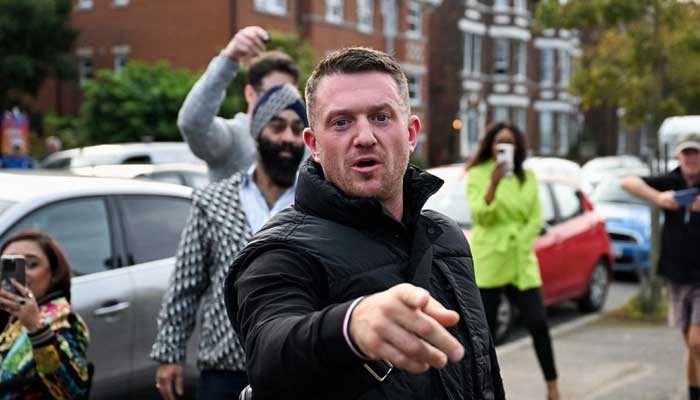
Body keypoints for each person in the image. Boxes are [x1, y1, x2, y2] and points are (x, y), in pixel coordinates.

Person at [224, 47, 505, 400]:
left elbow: (482, 371)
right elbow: (270, 353)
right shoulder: (280, 251)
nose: (365, 137)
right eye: (341, 122)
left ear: (411, 132)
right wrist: (350, 326)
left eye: (381, 117)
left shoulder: (445, 236)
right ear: (313, 144)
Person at [150, 83, 308, 400]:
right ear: (257, 131)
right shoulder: (214, 201)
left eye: (296, 129)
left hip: (294, 368)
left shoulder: (312, 204)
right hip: (224, 370)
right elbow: (185, 284)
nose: (288, 138)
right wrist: (169, 353)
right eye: (277, 127)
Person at [465, 121, 560, 400]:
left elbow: (535, 218)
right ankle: (483, 391)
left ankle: (553, 386)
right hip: (491, 258)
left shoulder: (526, 177)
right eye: (498, 142)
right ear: (490, 146)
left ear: (517, 148)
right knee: (487, 335)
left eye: (509, 143)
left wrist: (523, 240)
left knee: (539, 323)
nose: (503, 147)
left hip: (520, 258)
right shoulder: (479, 174)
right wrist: (493, 184)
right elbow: (480, 215)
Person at [621, 132, 700, 400]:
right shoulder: (672, 180)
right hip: (676, 274)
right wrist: (659, 198)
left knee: (696, 341)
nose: (692, 158)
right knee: (689, 344)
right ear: (679, 156)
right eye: (687, 153)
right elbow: (628, 182)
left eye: (696, 153)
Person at [178, 25, 299, 182]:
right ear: (250, 94)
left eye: (289, 95)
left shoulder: (300, 142)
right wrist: (229, 58)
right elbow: (192, 123)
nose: (283, 104)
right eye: (273, 94)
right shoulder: (233, 138)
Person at [0, 230, 90, 399]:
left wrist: (36, 327)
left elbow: (74, 391)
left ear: (54, 274)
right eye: (9, 265)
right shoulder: (7, 318)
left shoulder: (62, 322)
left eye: (32, 264)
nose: (21, 273)